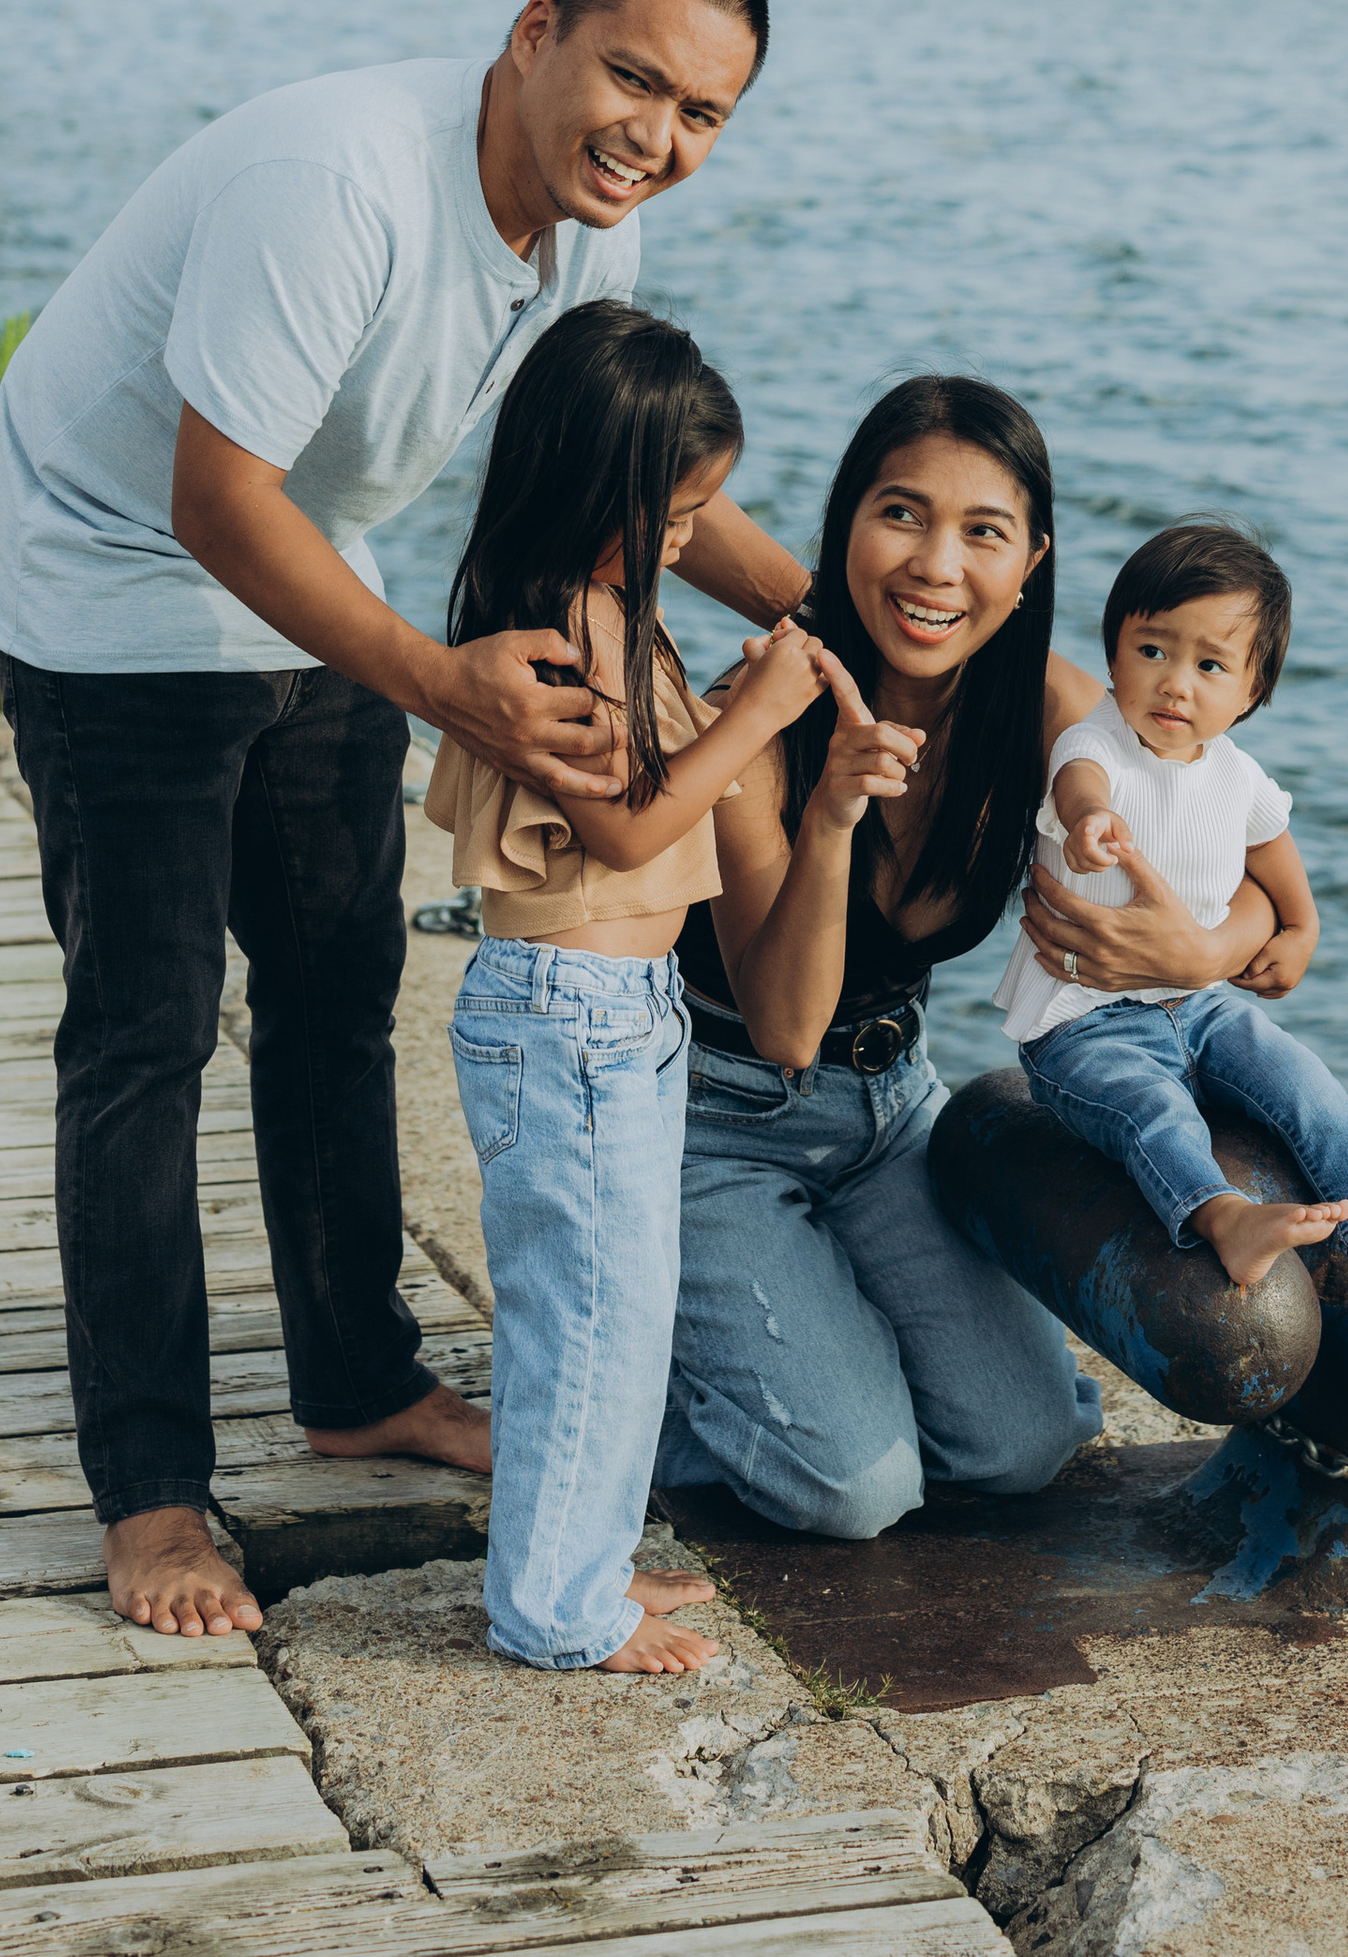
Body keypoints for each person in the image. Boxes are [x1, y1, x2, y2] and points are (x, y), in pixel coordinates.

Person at [0, 0, 808, 1639]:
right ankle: (150, 1492)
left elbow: (647, 488)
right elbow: (213, 501)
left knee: (340, 986)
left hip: (305, 559)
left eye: (701, 115)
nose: (655, 138)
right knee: (145, 1031)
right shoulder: (342, 183)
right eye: (633, 79)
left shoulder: (590, 230)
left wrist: (862, 631)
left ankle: (357, 1381)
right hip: (114, 574)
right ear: (535, 32)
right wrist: (444, 686)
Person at [656, 377, 1290, 1542]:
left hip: (892, 1107)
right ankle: (637, 1378)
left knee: (1022, 1447)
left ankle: (808, 1349)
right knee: (853, 1491)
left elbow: (1249, 868)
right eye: (900, 514)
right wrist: (831, 816)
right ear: (846, 523)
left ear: (1032, 560)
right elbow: (786, 1027)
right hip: (713, 1120)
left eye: (983, 532)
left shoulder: (1050, 710)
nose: (937, 567)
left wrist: (1206, 943)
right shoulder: (759, 713)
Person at [426, 301, 850, 1676]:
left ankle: (584, 1564)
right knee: (590, 1315)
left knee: (621, 1309)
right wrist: (761, 713)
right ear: (588, 486)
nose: (690, 540)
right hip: (571, 1017)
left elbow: (656, 782)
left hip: (619, 1016)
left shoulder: (610, 612)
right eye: (672, 515)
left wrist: (737, 704)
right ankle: (554, 1609)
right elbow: (625, 829)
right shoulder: (565, 626)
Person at [998, 520, 1348, 1320]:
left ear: (1252, 692)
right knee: (1152, 1111)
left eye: (1209, 665)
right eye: (1152, 651)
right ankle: (1225, 1219)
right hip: (1081, 1023)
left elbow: (1275, 854)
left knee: (1306, 1087)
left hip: (1204, 1006)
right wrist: (1088, 822)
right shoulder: (1097, 742)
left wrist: (1301, 930)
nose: (1175, 684)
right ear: (1113, 655)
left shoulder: (1237, 776)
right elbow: (1081, 782)